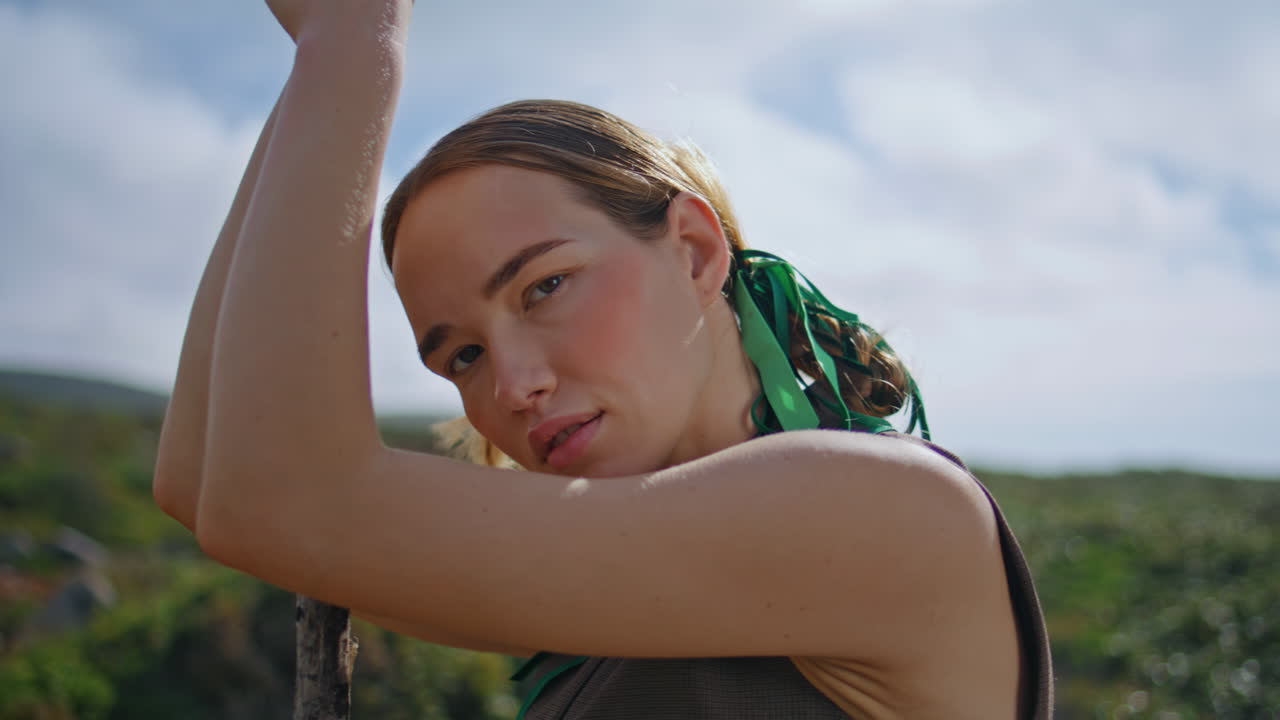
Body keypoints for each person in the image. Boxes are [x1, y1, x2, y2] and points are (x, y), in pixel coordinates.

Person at [153, 1, 1053, 718]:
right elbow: (208, 485)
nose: (511, 386)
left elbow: (277, 500)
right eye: (460, 354)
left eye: (544, 287)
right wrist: (313, 61)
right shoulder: (623, 571)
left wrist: (358, 38)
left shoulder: (892, 514)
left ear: (696, 252)